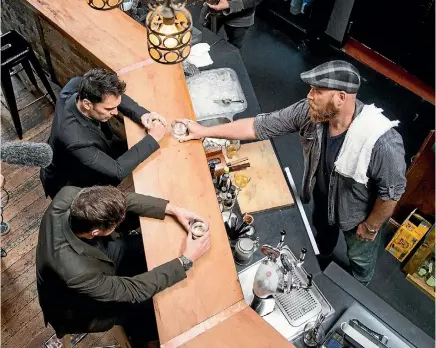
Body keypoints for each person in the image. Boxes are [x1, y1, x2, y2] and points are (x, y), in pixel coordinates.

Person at [176, 60, 407, 285]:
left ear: (340, 97)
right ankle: (322, 258)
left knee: (360, 258)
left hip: (357, 217)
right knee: (322, 237)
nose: (309, 96)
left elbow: (392, 192)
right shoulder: (313, 113)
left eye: (318, 91)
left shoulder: (381, 142)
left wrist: (370, 227)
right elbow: (260, 126)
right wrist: (205, 131)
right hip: (322, 197)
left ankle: (359, 286)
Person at [36, 185, 211, 347]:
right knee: (148, 308)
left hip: (93, 252)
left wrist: (173, 209)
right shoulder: (76, 272)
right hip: (79, 307)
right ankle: (142, 340)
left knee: (143, 245)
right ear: (96, 232)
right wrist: (186, 260)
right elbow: (132, 290)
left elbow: (122, 200)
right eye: (116, 224)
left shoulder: (70, 196)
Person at [40, 68, 167, 199]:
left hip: (96, 145)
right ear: (87, 104)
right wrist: (153, 138)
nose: (116, 113)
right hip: (71, 179)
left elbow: (112, 98)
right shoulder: (75, 139)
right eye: (109, 109)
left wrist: (142, 115)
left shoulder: (79, 85)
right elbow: (117, 171)